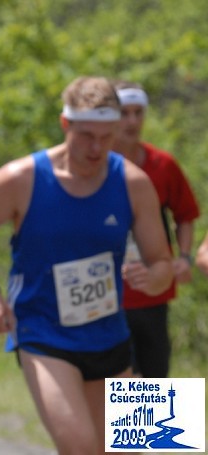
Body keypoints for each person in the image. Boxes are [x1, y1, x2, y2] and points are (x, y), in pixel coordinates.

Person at [0, 76, 173, 455]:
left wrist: (153, 277)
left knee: (135, 448)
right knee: (80, 448)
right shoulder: (21, 178)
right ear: (65, 124)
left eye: (106, 136)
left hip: (111, 334)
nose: (97, 148)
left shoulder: (134, 183)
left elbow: (162, 264)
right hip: (42, 333)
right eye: (86, 135)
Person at [113, 81, 200, 378]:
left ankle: (151, 413)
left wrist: (184, 257)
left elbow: (186, 214)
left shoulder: (163, 164)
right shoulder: (92, 167)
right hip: (106, 294)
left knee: (155, 379)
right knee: (119, 378)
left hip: (153, 288)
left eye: (138, 112)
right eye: (124, 113)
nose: (132, 121)